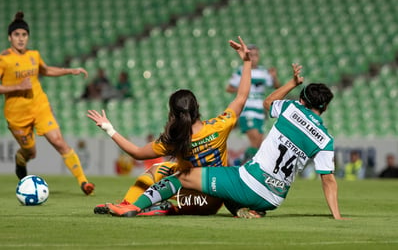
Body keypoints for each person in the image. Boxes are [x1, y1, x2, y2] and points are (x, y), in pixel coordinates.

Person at [105, 63, 349, 220]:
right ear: (325, 106)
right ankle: (246, 210)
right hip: (273, 198)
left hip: (241, 185)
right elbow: (328, 179)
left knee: (176, 176)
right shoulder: (325, 138)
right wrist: (336, 216)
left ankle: (133, 207)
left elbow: (267, 102)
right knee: (229, 175)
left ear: (302, 99)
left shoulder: (290, 109)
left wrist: (291, 83)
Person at [87, 36, 252, 216]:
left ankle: (135, 205)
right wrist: (247, 62)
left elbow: (136, 153)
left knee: (158, 171)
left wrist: (109, 128)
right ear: (198, 108)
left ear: (173, 114)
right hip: (214, 199)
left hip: (189, 196)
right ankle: (154, 207)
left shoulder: (175, 139)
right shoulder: (219, 126)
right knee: (165, 169)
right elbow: (241, 97)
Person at [0, 11, 95, 195]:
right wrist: (18, 86)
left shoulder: (33, 55)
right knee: (30, 152)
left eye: (24, 35)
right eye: (17, 35)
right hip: (17, 115)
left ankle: (84, 182)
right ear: (9, 37)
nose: (21, 39)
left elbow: (45, 70)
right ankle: (20, 159)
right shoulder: (3, 59)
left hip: (39, 106)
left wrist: (70, 71)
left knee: (59, 141)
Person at [226, 44, 280, 164]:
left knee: (258, 144)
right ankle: (241, 163)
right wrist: (245, 88)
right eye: (251, 55)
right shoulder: (242, 71)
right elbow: (229, 88)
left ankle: (239, 161)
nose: (254, 58)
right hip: (247, 109)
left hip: (260, 111)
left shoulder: (263, 71)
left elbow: (276, 87)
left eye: (256, 55)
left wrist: (274, 77)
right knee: (255, 140)